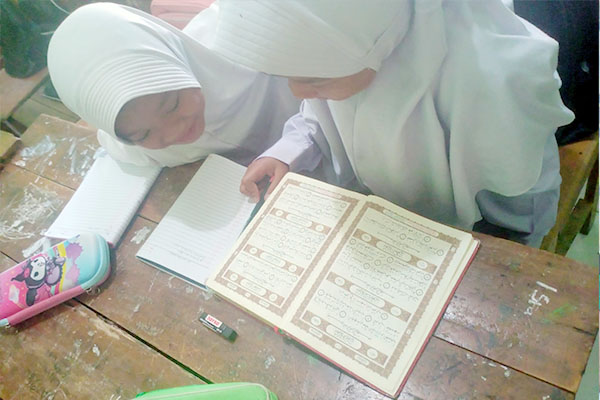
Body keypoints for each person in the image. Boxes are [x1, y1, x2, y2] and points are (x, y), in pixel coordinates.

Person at [207, 0, 575, 247]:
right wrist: (288, 151)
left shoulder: (492, 84)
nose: (298, 91)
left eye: (314, 79)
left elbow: (520, 206)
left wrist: (498, 255)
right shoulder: (345, 46)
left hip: (460, 237)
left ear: (375, 43)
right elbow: (317, 116)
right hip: (375, 222)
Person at [47, 2, 300, 168]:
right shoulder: (130, 140)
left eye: (172, 105)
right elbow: (110, 143)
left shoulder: (251, 46)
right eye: (143, 135)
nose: (173, 133)